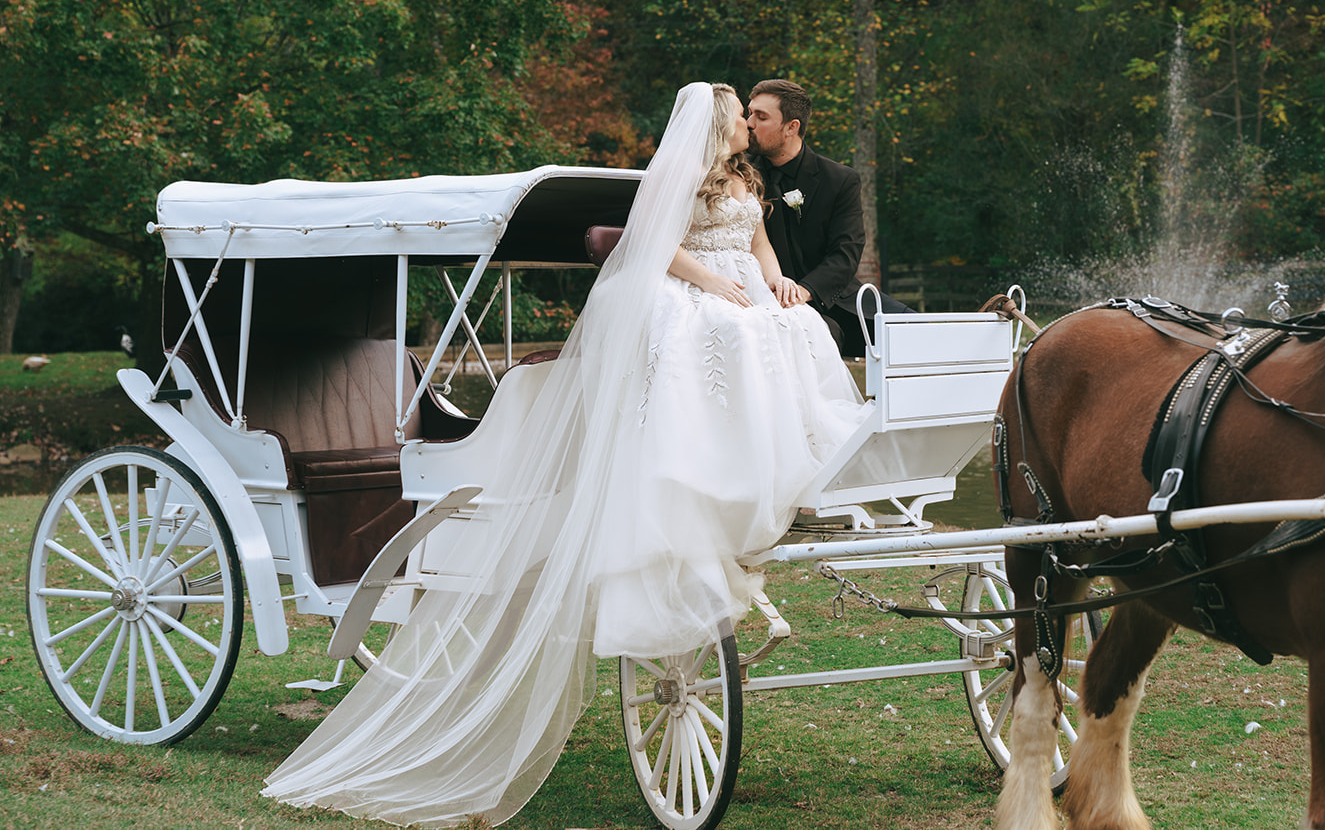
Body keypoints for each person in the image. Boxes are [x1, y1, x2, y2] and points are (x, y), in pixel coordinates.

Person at [262, 83, 870, 827]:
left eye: (755, 112)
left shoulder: (747, 178)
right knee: (729, 332)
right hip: (691, 288)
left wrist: (771, 276)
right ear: (718, 123)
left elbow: (758, 240)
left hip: (739, 282)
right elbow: (656, 247)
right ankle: (707, 470)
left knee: (796, 327)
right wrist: (716, 284)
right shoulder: (678, 178)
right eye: (741, 112)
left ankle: (794, 473)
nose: (749, 121)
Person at [745, 78, 910, 356]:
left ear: (791, 127)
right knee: (819, 338)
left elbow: (846, 252)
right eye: (749, 113)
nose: (749, 123)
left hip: (833, 297)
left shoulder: (839, 180)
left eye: (760, 117)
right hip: (764, 299)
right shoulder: (740, 176)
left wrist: (805, 291)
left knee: (919, 331)